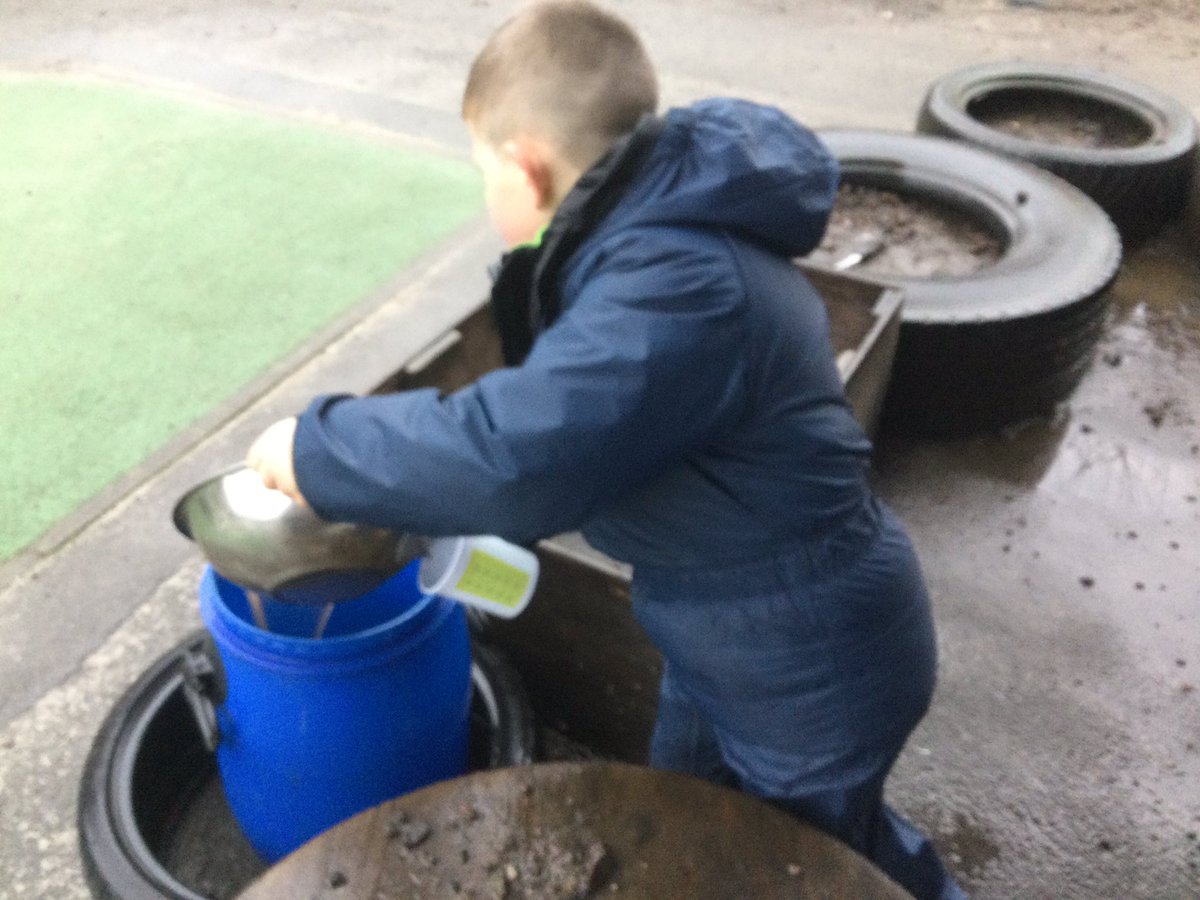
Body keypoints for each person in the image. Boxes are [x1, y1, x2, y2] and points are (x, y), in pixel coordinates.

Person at [246, 2, 965, 897]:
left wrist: (318, 451)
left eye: (482, 169)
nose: (485, 191)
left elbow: (521, 457)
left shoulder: (679, 287)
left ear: (526, 164)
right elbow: (558, 407)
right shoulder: (644, 239)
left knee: (816, 866)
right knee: (684, 809)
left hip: (806, 658)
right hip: (719, 626)